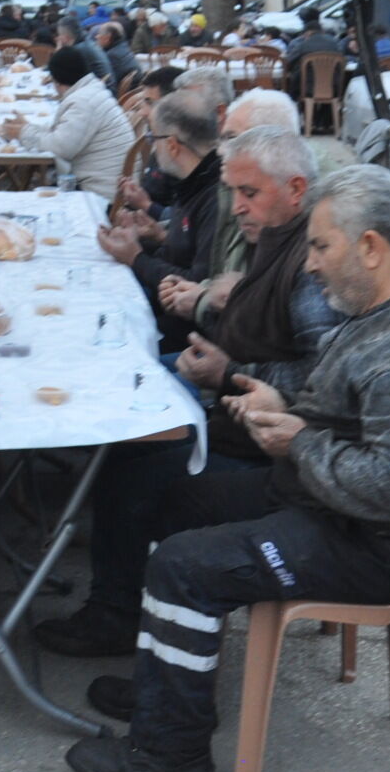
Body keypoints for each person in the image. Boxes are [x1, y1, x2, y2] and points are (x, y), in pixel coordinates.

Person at [63, 165, 390, 772]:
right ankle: (167, 689)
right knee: (170, 502)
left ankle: (172, 756)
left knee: (184, 564)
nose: (310, 264)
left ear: (371, 247)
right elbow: (337, 402)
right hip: (324, 501)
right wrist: (272, 399)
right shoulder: (379, 311)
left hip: (369, 545)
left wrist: (299, 442)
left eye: (321, 246)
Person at [37, 125, 337, 657]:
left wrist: (229, 372)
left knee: (135, 463)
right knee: (128, 413)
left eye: (249, 193)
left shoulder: (310, 266)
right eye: (234, 192)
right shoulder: (276, 238)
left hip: (278, 450)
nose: (237, 207)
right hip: (240, 418)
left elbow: (326, 378)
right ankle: (122, 592)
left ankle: (117, 613)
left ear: (296, 189)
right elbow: (266, 332)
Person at [98, 90, 222, 309]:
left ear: (172, 145)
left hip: (177, 319)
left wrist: (135, 257)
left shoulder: (215, 195)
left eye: (152, 138)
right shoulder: (192, 179)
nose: (153, 148)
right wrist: (156, 238)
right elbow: (181, 254)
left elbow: (194, 286)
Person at [3, 45, 130, 200]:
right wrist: (28, 127)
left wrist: (23, 133)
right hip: (113, 184)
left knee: (31, 201)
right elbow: (63, 131)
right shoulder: (91, 91)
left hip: (103, 194)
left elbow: (61, 147)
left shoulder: (82, 102)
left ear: (57, 81)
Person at [281, 9, 346, 101]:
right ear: (322, 31)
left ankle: (295, 102)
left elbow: (288, 62)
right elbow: (343, 60)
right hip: (334, 87)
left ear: (307, 33)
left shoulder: (302, 45)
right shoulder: (334, 43)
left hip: (308, 88)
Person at [58, 16, 111, 82]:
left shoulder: (78, 50)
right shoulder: (87, 41)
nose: (59, 38)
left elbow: (63, 74)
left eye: (59, 35)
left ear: (65, 37)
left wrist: (59, 52)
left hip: (100, 87)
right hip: (103, 85)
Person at [97, 21, 138, 89]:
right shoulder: (124, 46)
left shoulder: (112, 55)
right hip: (135, 88)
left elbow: (107, 81)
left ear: (107, 37)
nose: (96, 37)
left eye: (99, 34)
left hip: (126, 91)